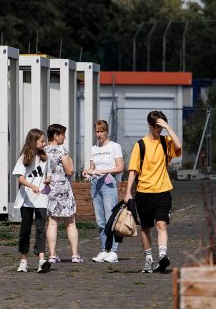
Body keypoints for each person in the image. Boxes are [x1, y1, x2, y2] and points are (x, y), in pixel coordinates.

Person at [124, 110, 182, 273]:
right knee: (145, 227)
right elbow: (133, 171)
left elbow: (179, 146)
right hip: (144, 192)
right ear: (150, 126)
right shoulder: (140, 145)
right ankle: (149, 259)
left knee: (161, 224)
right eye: (157, 126)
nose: (160, 129)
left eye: (161, 126)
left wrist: (168, 127)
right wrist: (128, 192)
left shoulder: (166, 141)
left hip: (163, 190)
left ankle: (163, 256)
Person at [83, 120, 124, 263]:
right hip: (95, 183)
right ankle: (104, 249)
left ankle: (113, 250)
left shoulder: (114, 146)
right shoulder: (94, 149)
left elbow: (120, 167)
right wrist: (87, 172)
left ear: (107, 132)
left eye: (101, 131)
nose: (99, 134)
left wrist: (105, 170)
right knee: (100, 220)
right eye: (97, 131)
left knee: (110, 218)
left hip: (108, 182)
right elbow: (91, 168)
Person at [12, 129, 51, 274]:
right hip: (26, 199)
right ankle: (23, 261)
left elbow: (47, 175)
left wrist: (47, 180)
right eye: (42, 140)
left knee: (41, 229)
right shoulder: (24, 157)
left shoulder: (45, 157)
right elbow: (20, 178)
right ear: (34, 141)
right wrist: (32, 186)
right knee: (25, 230)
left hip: (41, 198)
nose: (44, 143)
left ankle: (41, 260)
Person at [44, 123, 80, 263]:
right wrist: (70, 161)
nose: (64, 137)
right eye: (62, 134)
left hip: (49, 189)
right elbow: (69, 170)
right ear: (55, 136)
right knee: (70, 222)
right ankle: (75, 254)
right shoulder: (61, 150)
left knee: (52, 223)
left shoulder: (42, 151)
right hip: (63, 188)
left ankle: (52, 255)